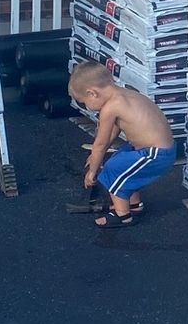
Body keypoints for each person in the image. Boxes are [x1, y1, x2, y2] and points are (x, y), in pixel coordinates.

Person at [69, 60, 176, 229]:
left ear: (92, 93)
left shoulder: (110, 108)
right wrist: (96, 157)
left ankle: (122, 215)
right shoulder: (125, 95)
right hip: (157, 150)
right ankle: (134, 205)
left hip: (156, 154)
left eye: (84, 103)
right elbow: (112, 133)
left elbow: (100, 144)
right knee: (122, 159)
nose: (87, 107)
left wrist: (92, 171)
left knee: (113, 170)